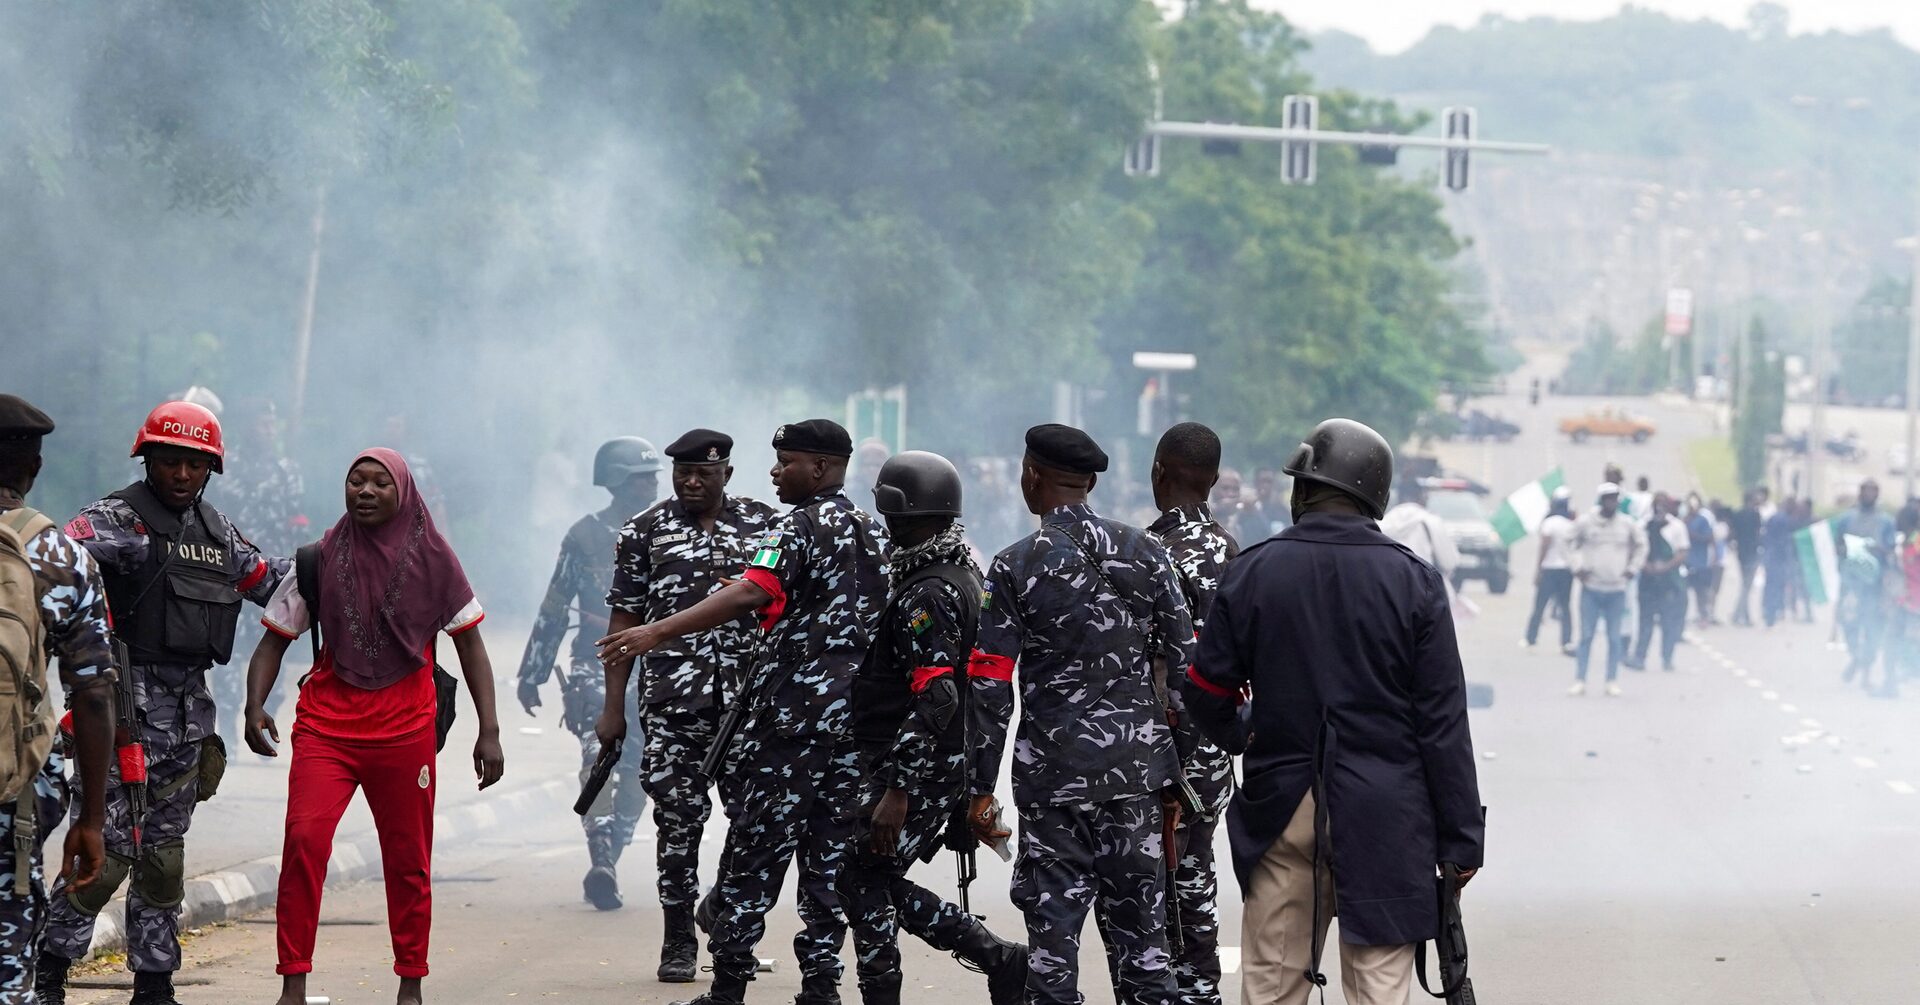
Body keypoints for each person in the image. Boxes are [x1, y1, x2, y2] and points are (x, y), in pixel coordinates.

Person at [1181, 417, 1484, 1005]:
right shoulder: (1415, 582)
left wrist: (1245, 732)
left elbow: (1204, 691)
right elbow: (1443, 725)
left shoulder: (1254, 571)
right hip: (1386, 815)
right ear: (1373, 494)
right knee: (1378, 986)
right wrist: (1462, 838)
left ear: (1304, 491)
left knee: (1271, 981)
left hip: (1281, 806)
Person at [595, 419, 888, 1005]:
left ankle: (728, 986)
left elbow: (754, 591)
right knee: (824, 854)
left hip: (787, 719)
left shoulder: (794, 523)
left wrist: (660, 630)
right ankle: (820, 984)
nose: (776, 471)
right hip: (844, 719)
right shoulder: (870, 529)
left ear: (822, 469)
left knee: (754, 849)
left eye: (787, 462)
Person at [39, 401, 287, 1005]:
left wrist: (339, 568)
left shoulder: (215, 532)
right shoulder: (115, 519)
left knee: (164, 859)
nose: (182, 475)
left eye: (195, 466)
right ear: (148, 458)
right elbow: (49, 569)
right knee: (109, 851)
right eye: (170, 462)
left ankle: (154, 984)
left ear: (212, 469)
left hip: (186, 721)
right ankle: (45, 970)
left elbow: (269, 582)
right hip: (118, 716)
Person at [243, 448, 505, 1005]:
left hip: (406, 729)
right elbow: (273, 641)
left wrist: (490, 731)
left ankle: (410, 983)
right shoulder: (317, 559)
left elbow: (472, 647)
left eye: (379, 483)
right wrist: (254, 705)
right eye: (355, 481)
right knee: (304, 842)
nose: (364, 491)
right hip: (325, 730)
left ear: (403, 493)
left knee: (408, 861)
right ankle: (293, 983)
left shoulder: (437, 559)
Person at [970, 424, 1194, 1005]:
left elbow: (991, 686)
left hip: (1053, 785)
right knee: (1146, 952)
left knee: (1052, 959)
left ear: (1031, 475)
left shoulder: (1014, 566)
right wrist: (1176, 775)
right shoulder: (1149, 554)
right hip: (1137, 782)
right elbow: (1185, 671)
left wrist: (977, 786)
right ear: (1090, 482)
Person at [842, 451, 1028, 1005]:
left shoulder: (927, 590)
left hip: (920, 766)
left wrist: (897, 790)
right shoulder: (963, 571)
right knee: (865, 874)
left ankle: (996, 958)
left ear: (904, 514)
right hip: (942, 759)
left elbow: (937, 692)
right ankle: (994, 959)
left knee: (861, 873)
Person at [597, 429, 778, 980]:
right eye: (683, 473)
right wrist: (613, 709)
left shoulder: (766, 525)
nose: (692, 482)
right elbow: (624, 619)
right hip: (674, 704)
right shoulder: (643, 532)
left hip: (749, 705)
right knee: (678, 825)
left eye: (703, 473)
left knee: (756, 822)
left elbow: (783, 598)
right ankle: (678, 938)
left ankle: (721, 904)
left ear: (726, 473)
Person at [514, 437, 661, 912]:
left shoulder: (670, 531)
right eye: (643, 477)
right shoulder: (584, 536)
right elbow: (555, 607)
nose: (654, 484)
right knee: (599, 759)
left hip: (658, 668)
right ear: (618, 482)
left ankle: (609, 858)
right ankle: (601, 858)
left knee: (641, 773)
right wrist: (532, 673)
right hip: (594, 665)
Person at [0, 396, 114, 1003]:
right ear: (34, 466)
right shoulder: (63, 558)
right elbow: (93, 695)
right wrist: (90, 821)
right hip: (14, 791)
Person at [1134, 423, 1238, 1005]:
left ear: (1158, 472)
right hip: (1214, 744)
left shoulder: (1143, 551)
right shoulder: (1236, 552)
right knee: (1197, 868)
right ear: (1215, 482)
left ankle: (1168, 985)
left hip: (1152, 745)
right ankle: (1201, 987)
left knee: (1152, 876)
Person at [1568, 483, 1645, 697]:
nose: (1612, 503)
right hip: (1591, 587)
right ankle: (1580, 680)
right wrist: (1577, 566)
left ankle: (1611, 680)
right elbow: (1568, 541)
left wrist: (1632, 568)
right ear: (1601, 501)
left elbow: (1641, 545)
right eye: (1608, 499)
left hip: (1616, 589)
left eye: (1615, 499)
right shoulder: (1586, 522)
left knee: (1614, 637)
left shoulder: (1626, 524)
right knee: (1586, 636)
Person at [1839, 479, 1897, 687]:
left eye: (1873, 491)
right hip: (1851, 583)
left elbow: (1891, 552)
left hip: (1875, 585)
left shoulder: (1886, 522)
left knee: (1874, 628)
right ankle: (1856, 656)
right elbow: (1838, 545)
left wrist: (1877, 549)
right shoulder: (1847, 519)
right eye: (1865, 491)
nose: (1868, 495)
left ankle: (1866, 669)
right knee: (1849, 624)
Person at [1626, 494, 1690, 674]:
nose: (1659, 508)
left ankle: (1667, 658)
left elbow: (1683, 551)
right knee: (1645, 620)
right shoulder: (1642, 526)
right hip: (1647, 580)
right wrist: (1646, 566)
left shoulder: (1676, 527)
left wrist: (1666, 566)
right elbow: (1634, 550)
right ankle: (1640, 656)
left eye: (1663, 505)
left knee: (1668, 622)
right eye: (1657, 505)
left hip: (1669, 581)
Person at [1522, 486, 1576, 654]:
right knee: (1565, 607)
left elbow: (1544, 547)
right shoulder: (1571, 525)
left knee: (1539, 606)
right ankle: (1566, 641)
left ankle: (1531, 638)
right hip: (1566, 571)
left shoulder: (1549, 523)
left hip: (1550, 569)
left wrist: (1538, 570)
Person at [1379, 483, 1458, 582]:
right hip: (1425, 586)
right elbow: (1449, 562)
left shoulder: (1382, 524)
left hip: (1391, 585)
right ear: (1421, 497)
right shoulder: (1431, 521)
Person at [1729, 488, 1766, 627]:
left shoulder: (1737, 514)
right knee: (1746, 585)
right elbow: (1758, 533)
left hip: (1741, 552)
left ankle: (1741, 614)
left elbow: (1733, 532)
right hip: (1752, 552)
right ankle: (1740, 614)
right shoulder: (1755, 515)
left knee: (1745, 584)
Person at [1762, 496, 1799, 628]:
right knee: (1776, 587)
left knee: (1771, 586)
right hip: (1778, 558)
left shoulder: (1774, 517)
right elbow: (1784, 541)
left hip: (1770, 556)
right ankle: (1771, 612)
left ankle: (1769, 611)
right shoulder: (1783, 520)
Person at [1683, 495, 1716, 628]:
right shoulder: (1684, 521)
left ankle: (1703, 616)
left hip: (1700, 562)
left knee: (1701, 592)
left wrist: (1694, 536)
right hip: (1686, 562)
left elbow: (1709, 538)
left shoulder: (1703, 521)